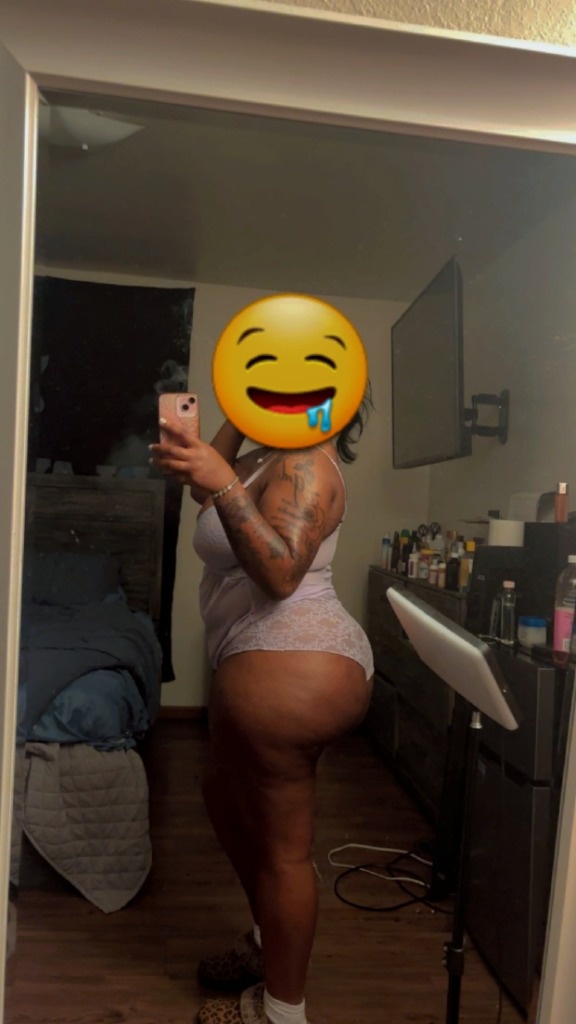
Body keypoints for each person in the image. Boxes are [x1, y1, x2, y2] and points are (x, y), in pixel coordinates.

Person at [150, 400, 374, 1024]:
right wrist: (236, 413)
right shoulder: (263, 455)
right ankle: (265, 940)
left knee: (282, 850)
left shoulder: (307, 464)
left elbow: (280, 573)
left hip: (297, 654)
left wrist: (221, 479)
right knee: (223, 798)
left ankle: (281, 1012)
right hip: (255, 647)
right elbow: (205, 492)